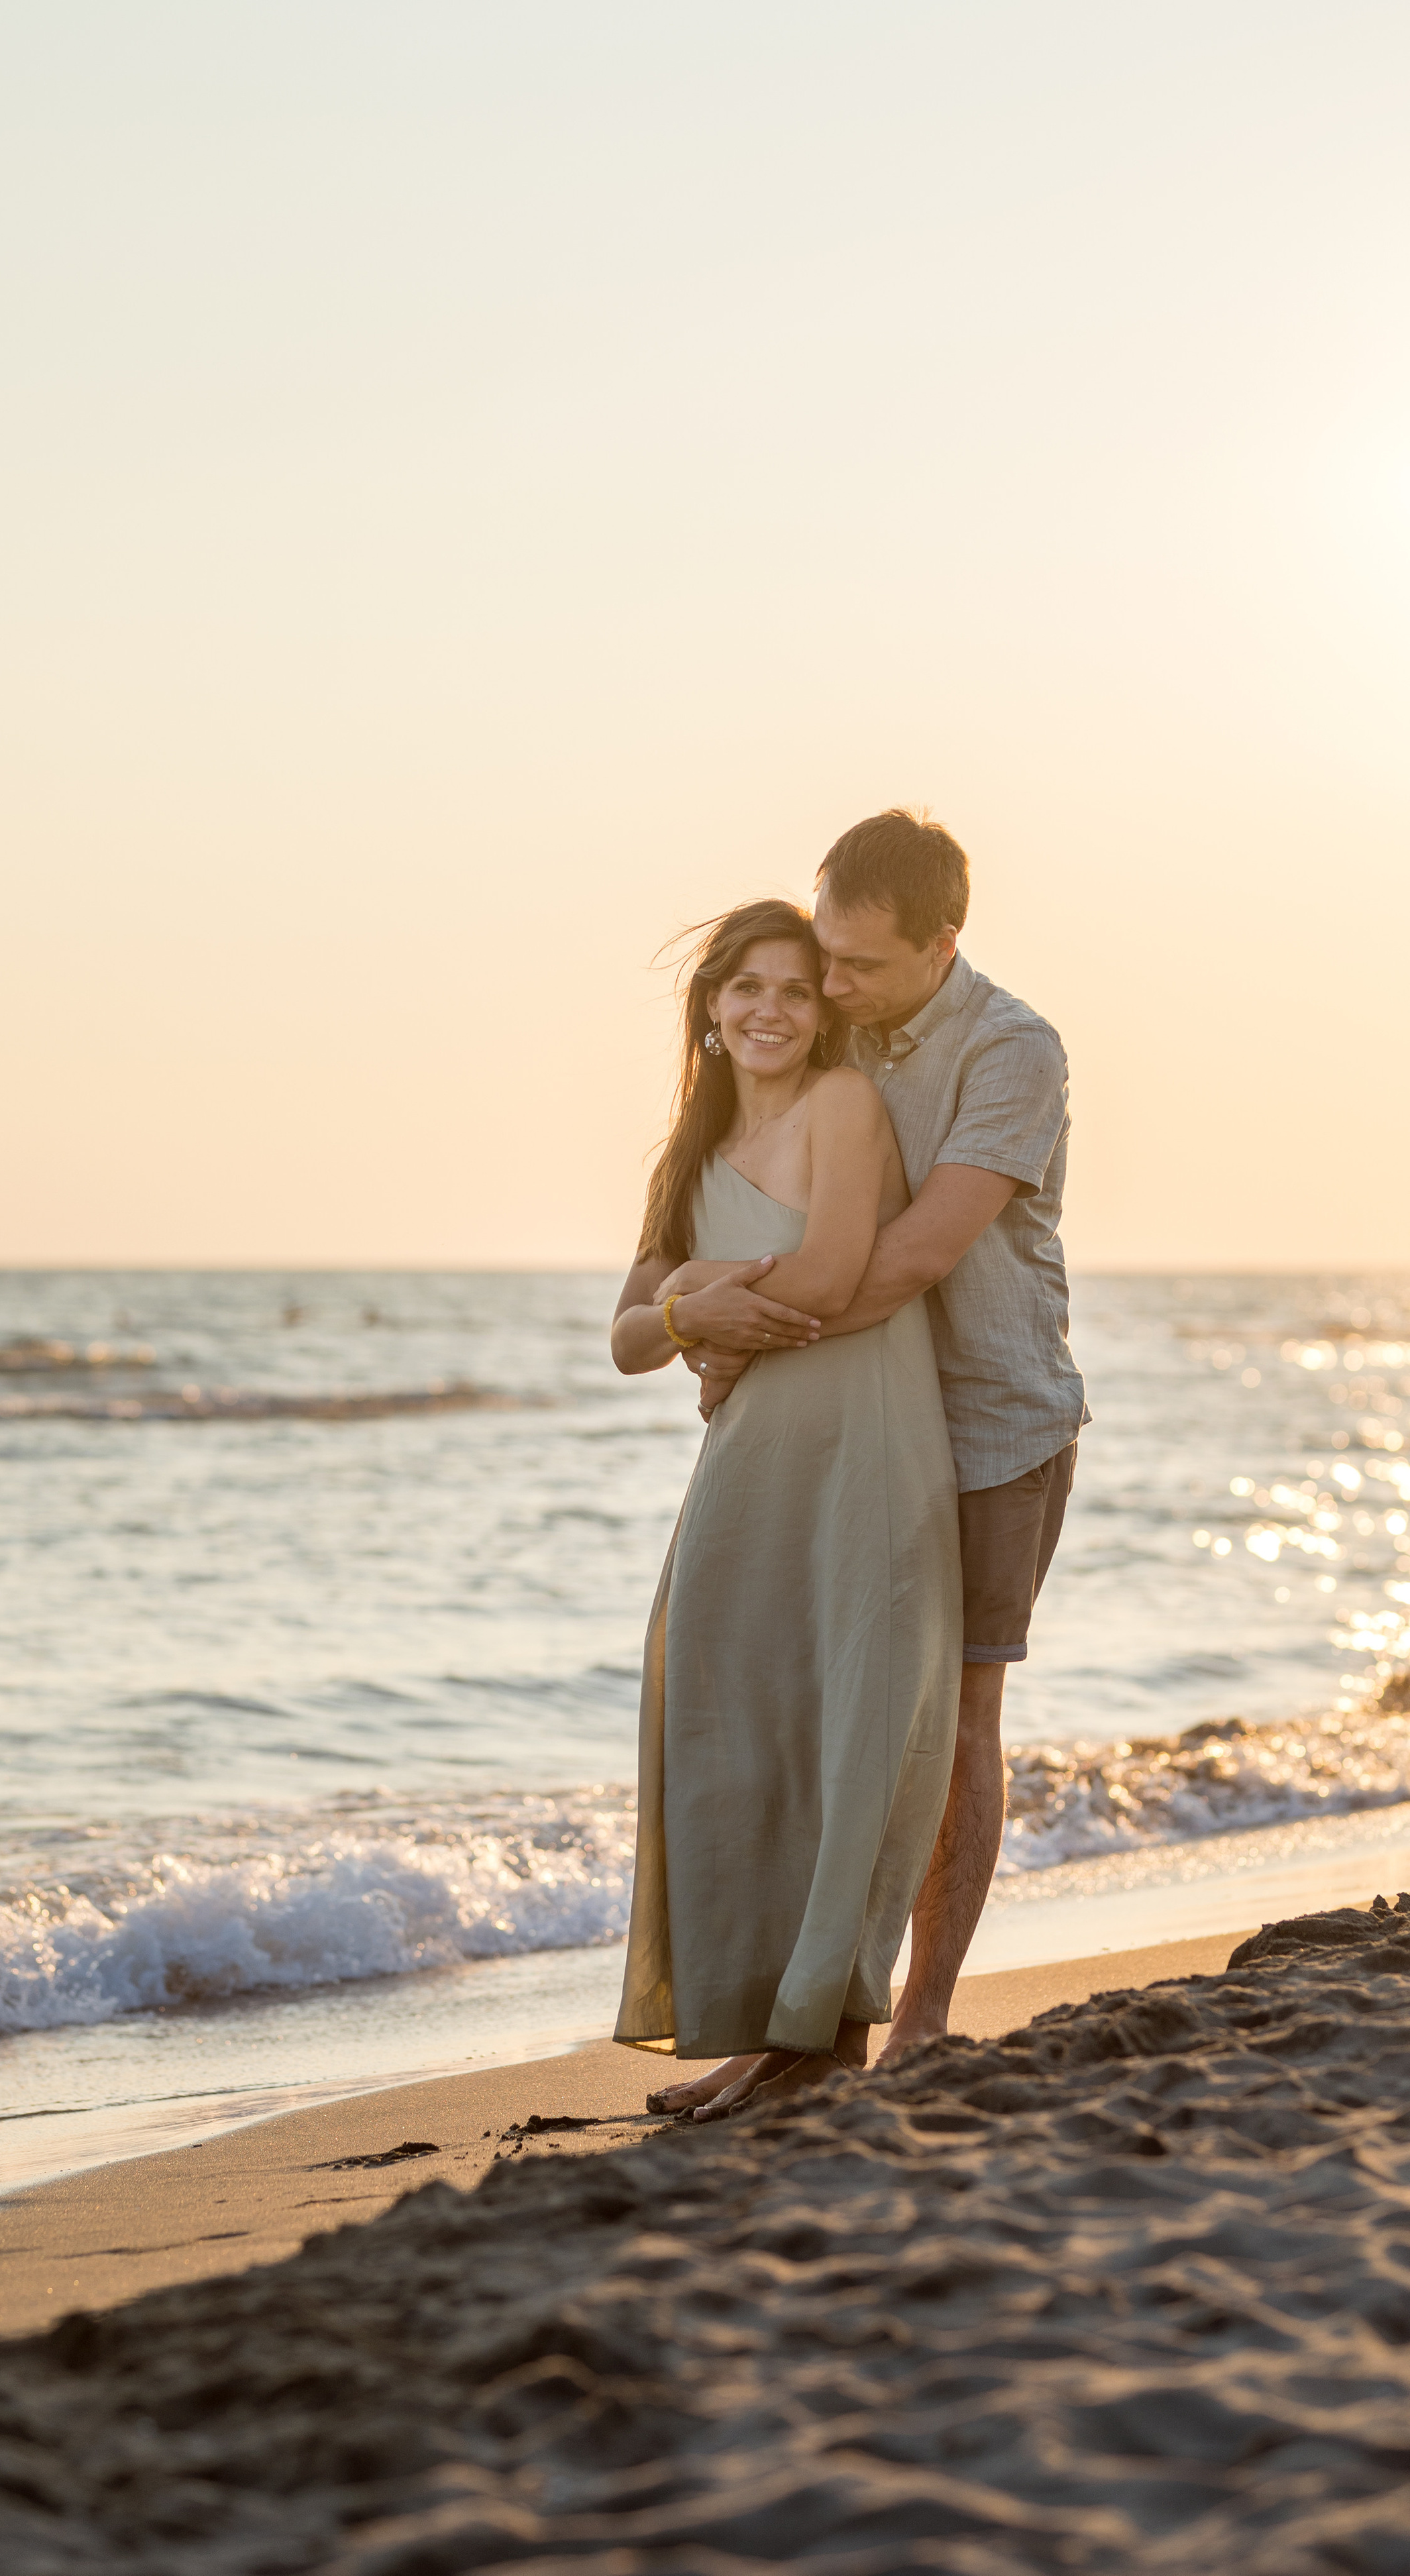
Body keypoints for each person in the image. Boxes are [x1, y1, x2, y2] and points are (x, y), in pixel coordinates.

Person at [686, 812, 1087, 2066]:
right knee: (826, 1715)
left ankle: (921, 2017)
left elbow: (914, 1256)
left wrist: (747, 1339)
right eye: (825, 956)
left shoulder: (1013, 1050)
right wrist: (690, 1305)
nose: (832, 987)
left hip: (989, 1427)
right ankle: (810, 2017)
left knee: (956, 1719)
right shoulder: (836, 1025)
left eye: (859, 965)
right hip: (852, 1428)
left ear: (943, 943)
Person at [610, 898, 962, 2122]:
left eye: (796, 992)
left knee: (855, 1721)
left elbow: (820, 1282)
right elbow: (624, 1338)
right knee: (729, 1715)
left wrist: (695, 1304)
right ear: (710, 1007)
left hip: (860, 1441)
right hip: (748, 1457)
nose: (770, 1010)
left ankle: (825, 2035)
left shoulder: (842, 1108)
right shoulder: (688, 1154)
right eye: (747, 989)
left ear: (823, 1015)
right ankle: (760, 2023)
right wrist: (689, 1310)